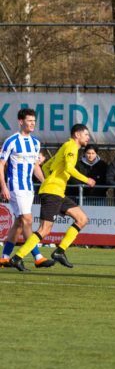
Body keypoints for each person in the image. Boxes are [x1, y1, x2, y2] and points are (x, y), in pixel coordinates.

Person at [8, 124, 96, 271]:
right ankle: (17, 258)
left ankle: (59, 251)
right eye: (86, 134)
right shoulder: (72, 147)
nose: (88, 137)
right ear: (77, 135)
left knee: (82, 219)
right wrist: (86, 179)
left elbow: (46, 166)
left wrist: (50, 181)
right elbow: (68, 168)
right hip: (53, 192)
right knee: (44, 229)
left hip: (57, 192)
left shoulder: (65, 147)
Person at [0, 109, 54, 268]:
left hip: (29, 187)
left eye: (34, 121)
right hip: (15, 186)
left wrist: (44, 182)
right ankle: (37, 257)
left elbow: (35, 165)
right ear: (20, 122)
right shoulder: (11, 141)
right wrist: (3, 187)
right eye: (29, 121)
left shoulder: (36, 142)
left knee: (19, 222)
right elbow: (1, 164)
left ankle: (4, 257)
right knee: (28, 220)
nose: (32, 124)